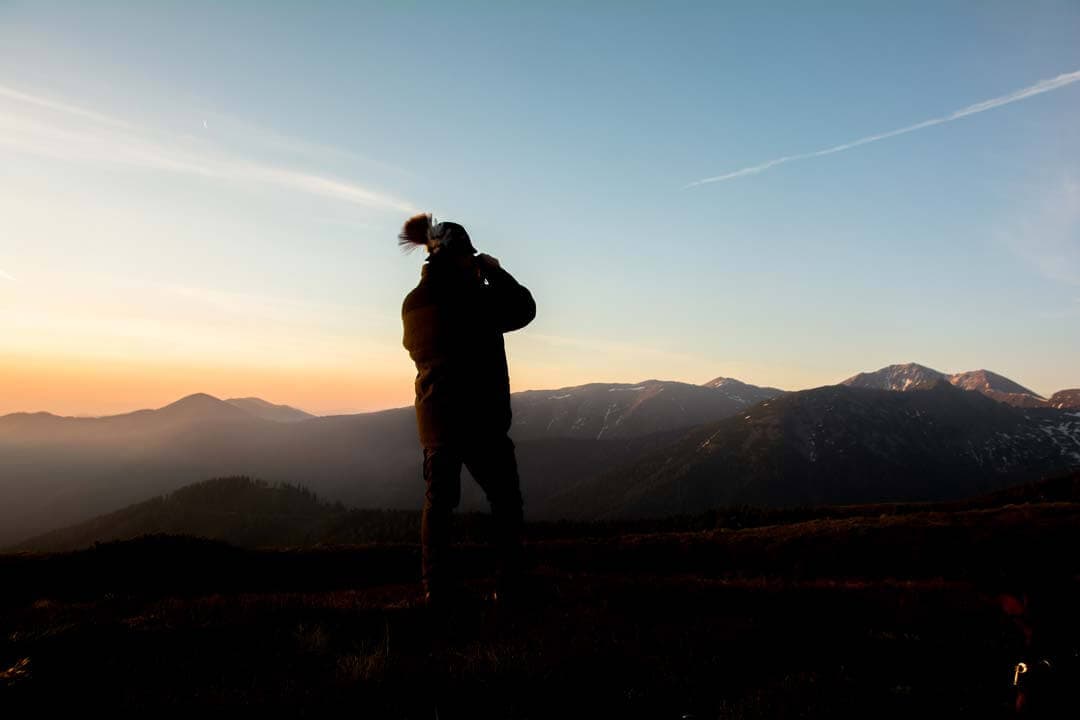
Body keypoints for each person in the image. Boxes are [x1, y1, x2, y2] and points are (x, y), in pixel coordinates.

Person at [399, 213, 536, 607]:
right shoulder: (474, 298)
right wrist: (495, 271)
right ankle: (509, 584)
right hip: (480, 420)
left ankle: (435, 588)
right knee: (505, 500)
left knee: (438, 505)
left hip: (435, 423)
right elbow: (524, 308)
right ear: (461, 256)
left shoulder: (413, 304)